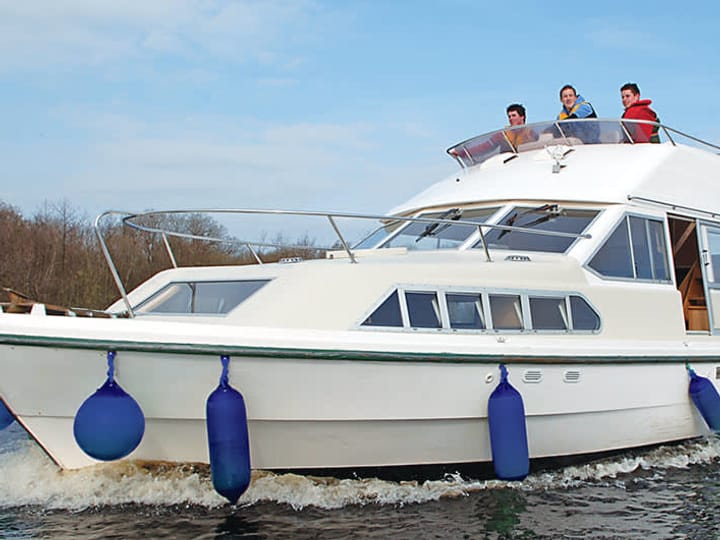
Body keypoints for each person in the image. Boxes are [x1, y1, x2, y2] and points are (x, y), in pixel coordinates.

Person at [449, 104, 537, 162]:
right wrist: (462, 152)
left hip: (527, 163)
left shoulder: (532, 134)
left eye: (514, 115)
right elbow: (484, 147)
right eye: (509, 116)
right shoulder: (503, 135)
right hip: (509, 165)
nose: (510, 119)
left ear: (522, 117)